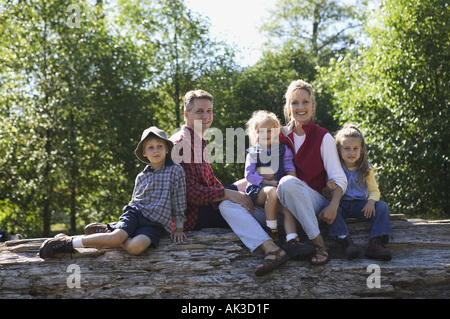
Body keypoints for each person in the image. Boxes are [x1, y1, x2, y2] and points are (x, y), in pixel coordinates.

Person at [172, 90, 290, 276]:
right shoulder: (181, 144)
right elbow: (191, 194)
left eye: (209, 111)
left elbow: (210, 182)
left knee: (246, 183)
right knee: (228, 204)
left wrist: (236, 192)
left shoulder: (197, 141)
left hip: (205, 202)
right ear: (187, 115)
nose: (206, 116)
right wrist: (228, 195)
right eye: (199, 111)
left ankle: (282, 208)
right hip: (193, 215)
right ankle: (272, 247)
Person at [39, 127, 187, 259]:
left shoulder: (175, 170)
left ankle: (110, 230)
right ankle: (69, 242)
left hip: (155, 223)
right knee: (117, 238)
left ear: (167, 149)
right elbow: (134, 201)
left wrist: (179, 227)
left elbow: (179, 199)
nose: (156, 150)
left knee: (135, 248)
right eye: (151, 147)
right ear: (144, 152)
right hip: (136, 213)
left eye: (160, 146)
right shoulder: (142, 176)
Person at [277, 79, 347, 266]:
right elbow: (260, 168)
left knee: (287, 182)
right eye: (294, 102)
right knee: (231, 206)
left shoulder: (323, 136)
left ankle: (318, 243)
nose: (300, 107)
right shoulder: (279, 135)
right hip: (282, 203)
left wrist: (333, 206)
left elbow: (338, 178)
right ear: (288, 106)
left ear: (313, 105)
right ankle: (272, 250)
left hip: (314, 200)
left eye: (305, 102)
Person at [244, 110, 315, 258]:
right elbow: (249, 175)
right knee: (271, 192)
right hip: (259, 191)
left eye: (269, 130)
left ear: (276, 131)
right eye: (260, 131)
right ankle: (272, 231)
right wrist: (266, 181)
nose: (265, 134)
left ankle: (292, 240)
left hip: (279, 189)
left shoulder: (284, 150)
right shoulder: (252, 153)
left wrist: (292, 181)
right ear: (254, 134)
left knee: (287, 209)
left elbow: (289, 168)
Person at [324, 124, 393, 261]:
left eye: (356, 149)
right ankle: (346, 241)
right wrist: (328, 188)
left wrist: (371, 202)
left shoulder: (366, 169)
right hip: (341, 205)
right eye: (347, 149)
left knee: (382, 206)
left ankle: (376, 242)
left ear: (361, 150)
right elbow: (327, 194)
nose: (351, 153)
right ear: (339, 150)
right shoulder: (334, 167)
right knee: (326, 205)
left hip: (360, 206)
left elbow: (374, 190)